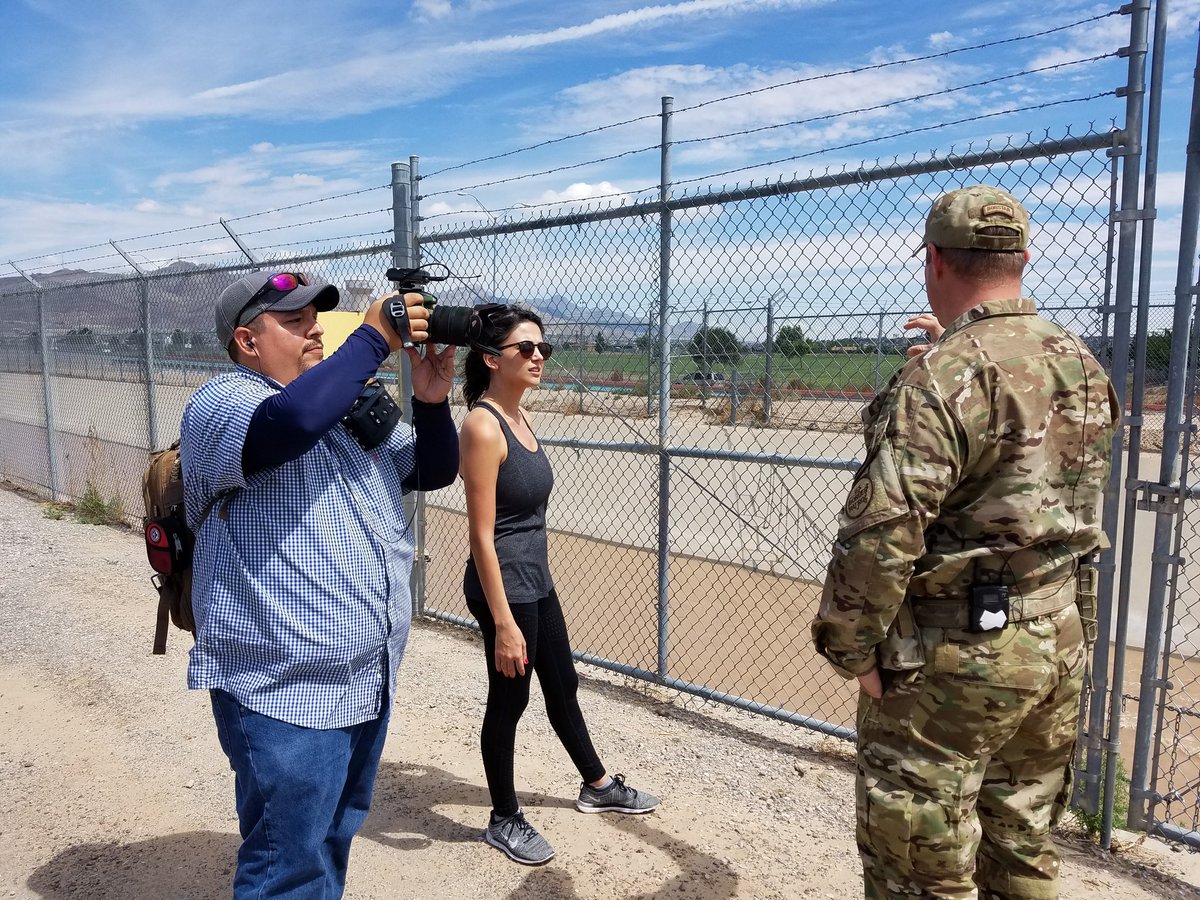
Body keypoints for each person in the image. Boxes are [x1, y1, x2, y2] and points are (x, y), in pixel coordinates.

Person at [811, 185, 1120, 898]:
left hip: (954, 654)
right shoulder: (1078, 361)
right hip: (1055, 637)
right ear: (1024, 258)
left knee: (920, 862)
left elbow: (883, 529)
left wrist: (852, 648)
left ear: (934, 262)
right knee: (1021, 842)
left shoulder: (944, 373)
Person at [180, 270, 459, 898]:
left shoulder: (343, 410)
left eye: (317, 319)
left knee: (329, 839)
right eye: (295, 321)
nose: (314, 331)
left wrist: (433, 399)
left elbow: (435, 470)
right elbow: (294, 419)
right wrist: (374, 338)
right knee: (287, 864)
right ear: (248, 342)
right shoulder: (225, 401)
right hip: (281, 692)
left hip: (364, 680)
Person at [458, 304, 660, 866]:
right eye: (527, 348)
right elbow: (481, 537)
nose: (539, 356)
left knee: (563, 682)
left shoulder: (519, 417)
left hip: (536, 582)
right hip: (504, 590)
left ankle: (596, 787)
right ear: (492, 358)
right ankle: (503, 817)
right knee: (510, 698)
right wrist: (502, 623)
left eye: (544, 348)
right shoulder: (481, 424)